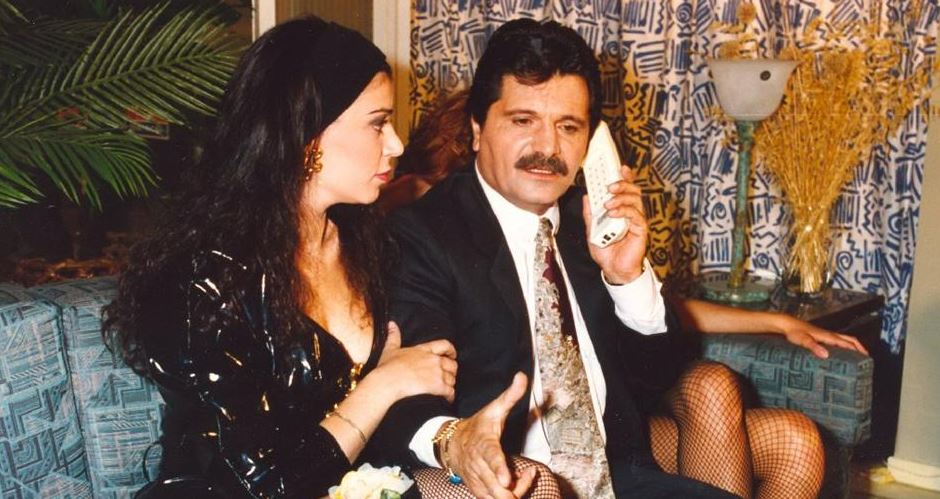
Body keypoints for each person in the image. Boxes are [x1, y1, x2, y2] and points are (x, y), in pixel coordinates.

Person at [102, 17, 561, 499]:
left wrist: (454, 440)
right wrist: (382, 385)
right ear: (308, 134)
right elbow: (258, 482)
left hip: (348, 485)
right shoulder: (204, 279)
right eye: (378, 123)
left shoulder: (368, 244)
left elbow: (399, 409)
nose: (396, 145)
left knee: (533, 485)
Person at [378, 55, 865, 499]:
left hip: (619, 472)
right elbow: (413, 397)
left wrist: (627, 276)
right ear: (478, 129)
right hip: (523, 480)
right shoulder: (423, 234)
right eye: (523, 121)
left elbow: (658, 378)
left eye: (569, 127)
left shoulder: (590, 222)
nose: (547, 147)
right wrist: (455, 440)